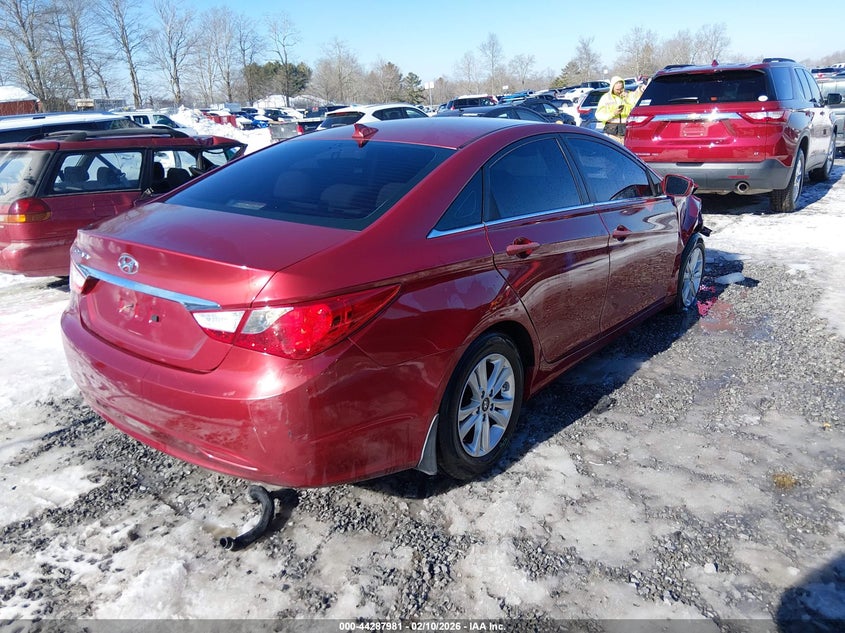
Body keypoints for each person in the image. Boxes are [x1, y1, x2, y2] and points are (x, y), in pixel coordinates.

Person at [595, 76, 645, 142]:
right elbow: (599, 115)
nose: (619, 91)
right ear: (612, 87)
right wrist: (613, 113)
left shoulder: (628, 95)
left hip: (627, 132)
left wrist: (640, 89)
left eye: (621, 89)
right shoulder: (606, 98)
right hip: (612, 133)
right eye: (617, 89)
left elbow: (637, 98)